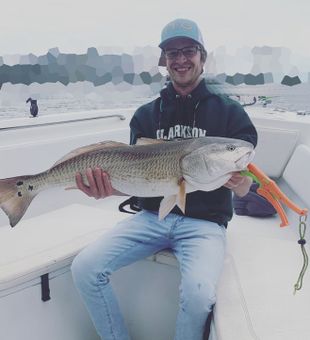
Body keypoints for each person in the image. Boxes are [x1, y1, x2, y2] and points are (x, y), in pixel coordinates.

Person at [71, 18, 258, 340]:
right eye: (172, 53)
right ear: (164, 61)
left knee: (199, 294)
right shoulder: (145, 115)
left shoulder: (230, 114)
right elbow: (134, 177)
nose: (180, 60)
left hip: (205, 224)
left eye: (188, 51)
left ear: (202, 56)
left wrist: (237, 183)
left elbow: (245, 186)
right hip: (149, 217)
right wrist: (106, 188)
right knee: (85, 268)